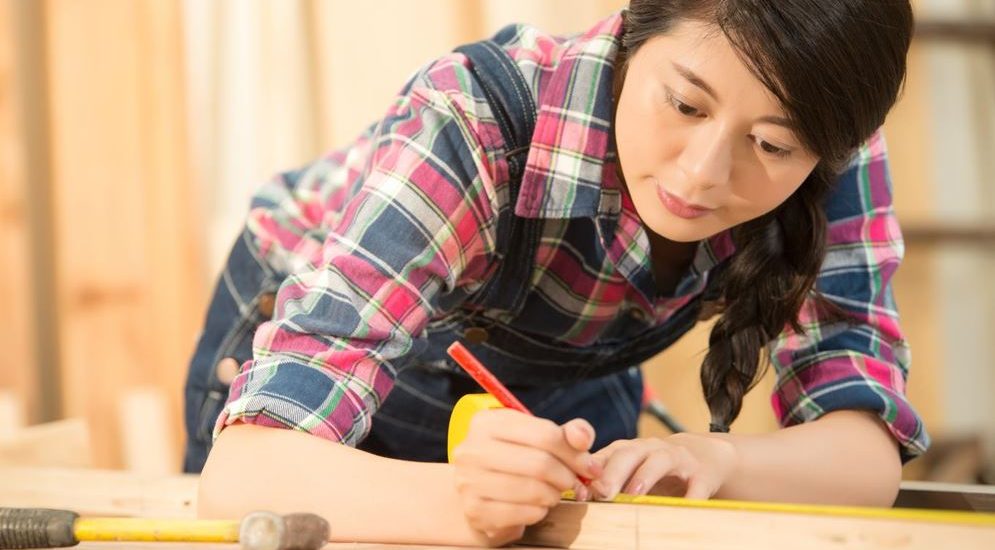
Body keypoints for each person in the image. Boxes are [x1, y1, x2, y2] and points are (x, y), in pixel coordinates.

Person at [189, 0, 928, 546]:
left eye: (769, 145)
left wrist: (713, 457)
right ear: (636, 32)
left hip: (565, 361)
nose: (701, 175)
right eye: (682, 104)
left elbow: (862, 455)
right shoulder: (470, 120)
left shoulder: (830, 148)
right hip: (327, 326)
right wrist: (465, 505)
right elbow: (246, 477)